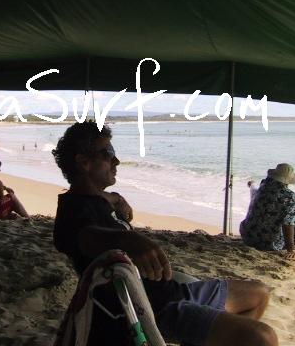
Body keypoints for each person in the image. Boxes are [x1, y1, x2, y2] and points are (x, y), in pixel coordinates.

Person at [52, 122, 277, 346]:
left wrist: (116, 198)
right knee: (262, 337)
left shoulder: (96, 199)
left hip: (172, 291)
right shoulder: (71, 212)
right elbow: (84, 237)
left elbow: (101, 202)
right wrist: (127, 239)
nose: (116, 161)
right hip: (150, 310)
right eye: (108, 153)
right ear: (84, 162)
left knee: (259, 294)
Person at [240, 163, 295, 259]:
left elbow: (253, 190)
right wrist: (291, 249)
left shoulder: (262, 187)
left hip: (247, 236)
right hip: (268, 244)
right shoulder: (290, 197)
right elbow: (288, 225)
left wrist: (251, 184)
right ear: (287, 180)